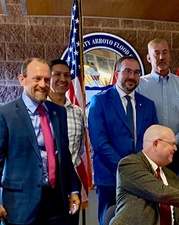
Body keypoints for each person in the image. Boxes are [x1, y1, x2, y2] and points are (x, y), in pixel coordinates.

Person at [0, 58, 81, 225]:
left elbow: (65, 156)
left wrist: (73, 190)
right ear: (22, 79)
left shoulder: (59, 112)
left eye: (46, 79)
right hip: (20, 205)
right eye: (37, 79)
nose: (43, 84)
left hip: (56, 203)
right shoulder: (6, 114)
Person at [88, 56, 158, 225]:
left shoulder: (148, 105)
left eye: (136, 73)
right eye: (127, 71)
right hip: (110, 177)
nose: (131, 77)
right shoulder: (100, 101)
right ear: (117, 73)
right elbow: (99, 142)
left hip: (141, 178)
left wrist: (139, 171)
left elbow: (153, 140)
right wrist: (126, 168)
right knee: (109, 220)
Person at [110, 125, 179, 225]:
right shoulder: (130, 164)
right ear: (156, 144)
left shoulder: (172, 177)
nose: (175, 149)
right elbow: (159, 191)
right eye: (172, 144)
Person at [136, 38, 179, 173]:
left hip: (178, 154)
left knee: (176, 193)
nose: (161, 57)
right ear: (148, 58)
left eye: (165, 52)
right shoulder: (139, 87)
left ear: (170, 55)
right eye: (156, 53)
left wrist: (173, 142)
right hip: (148, 156)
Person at [48, 59, 86, 225]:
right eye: (57, 74)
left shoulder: (77, 112)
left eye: (67, 75)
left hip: (70, 184)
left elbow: (80, 148)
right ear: (47, 78)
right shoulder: (39, 110)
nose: (63, 79)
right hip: (46, 184)